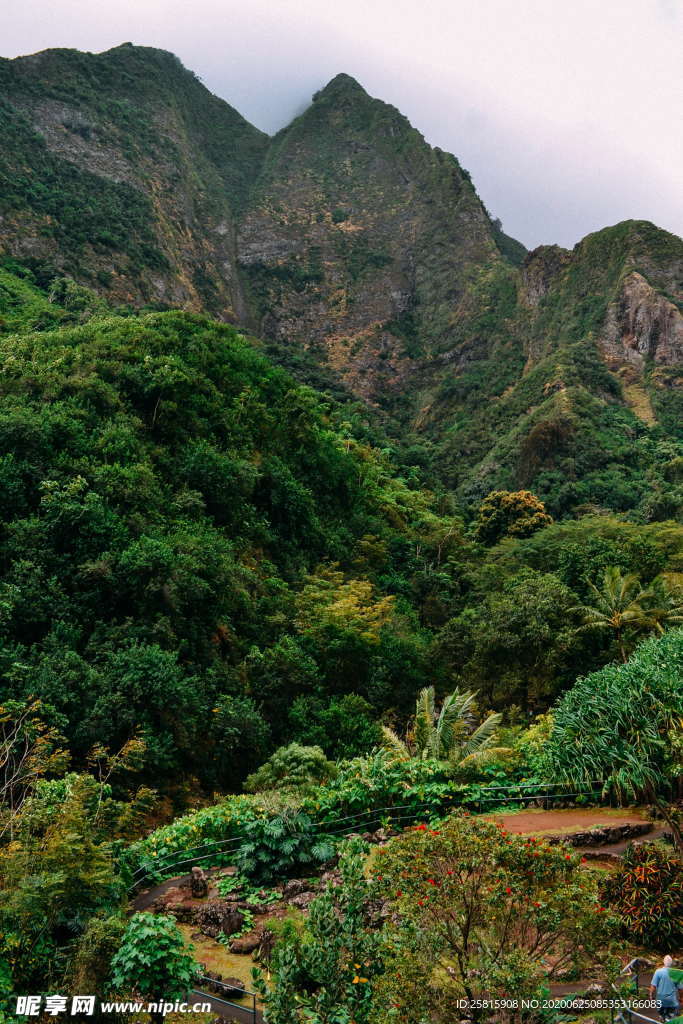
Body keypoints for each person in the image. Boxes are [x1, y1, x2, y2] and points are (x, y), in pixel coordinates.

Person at [649, 956, 683, 1021]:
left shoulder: (658, 972)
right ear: (671, 963)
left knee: (661, 1016)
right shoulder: (675, 973)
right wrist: (681, 998)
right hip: (671, 1001)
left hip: (660, 1000)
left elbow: (653, 986)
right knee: (671, 1017)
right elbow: (680, 989)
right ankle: (669, 1019)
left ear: (663, 962)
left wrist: (651, 995)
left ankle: (662, 1018)